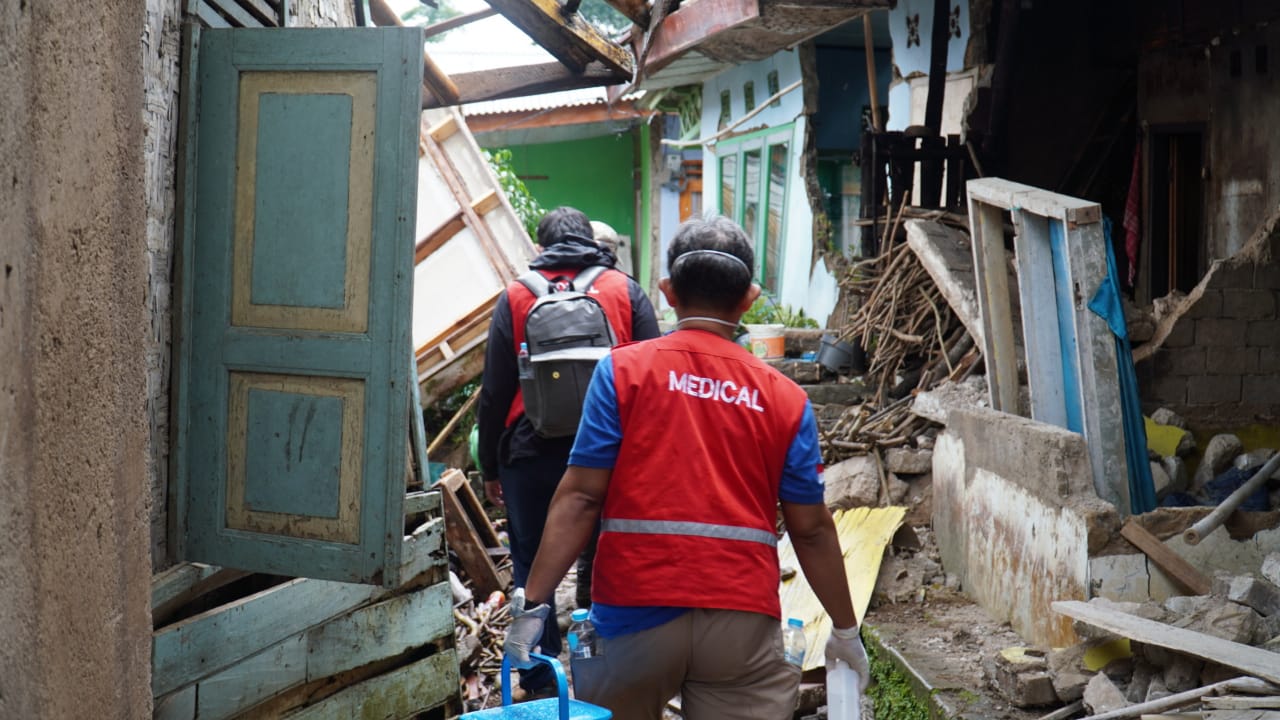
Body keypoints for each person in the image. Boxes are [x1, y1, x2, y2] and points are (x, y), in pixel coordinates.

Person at [503, 215, 871, 720]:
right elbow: (810, 530)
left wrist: (534, 604)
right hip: (741, 624)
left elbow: (582, 497)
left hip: (633, 619)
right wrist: (846, 630)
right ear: (750, 298)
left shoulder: (622, 371)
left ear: (668, 291)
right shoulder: (785, 397)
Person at [477, 205, 660, 698]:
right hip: (611, 451)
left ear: (541, 248)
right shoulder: (624, 289)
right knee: (609, 557)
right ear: (594, 245)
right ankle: (606, 666)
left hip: (530, 454)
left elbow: (493, 391)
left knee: (532, 561)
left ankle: (539, 680)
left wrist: (489, 466)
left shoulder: (516, 295)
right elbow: (656, 375)